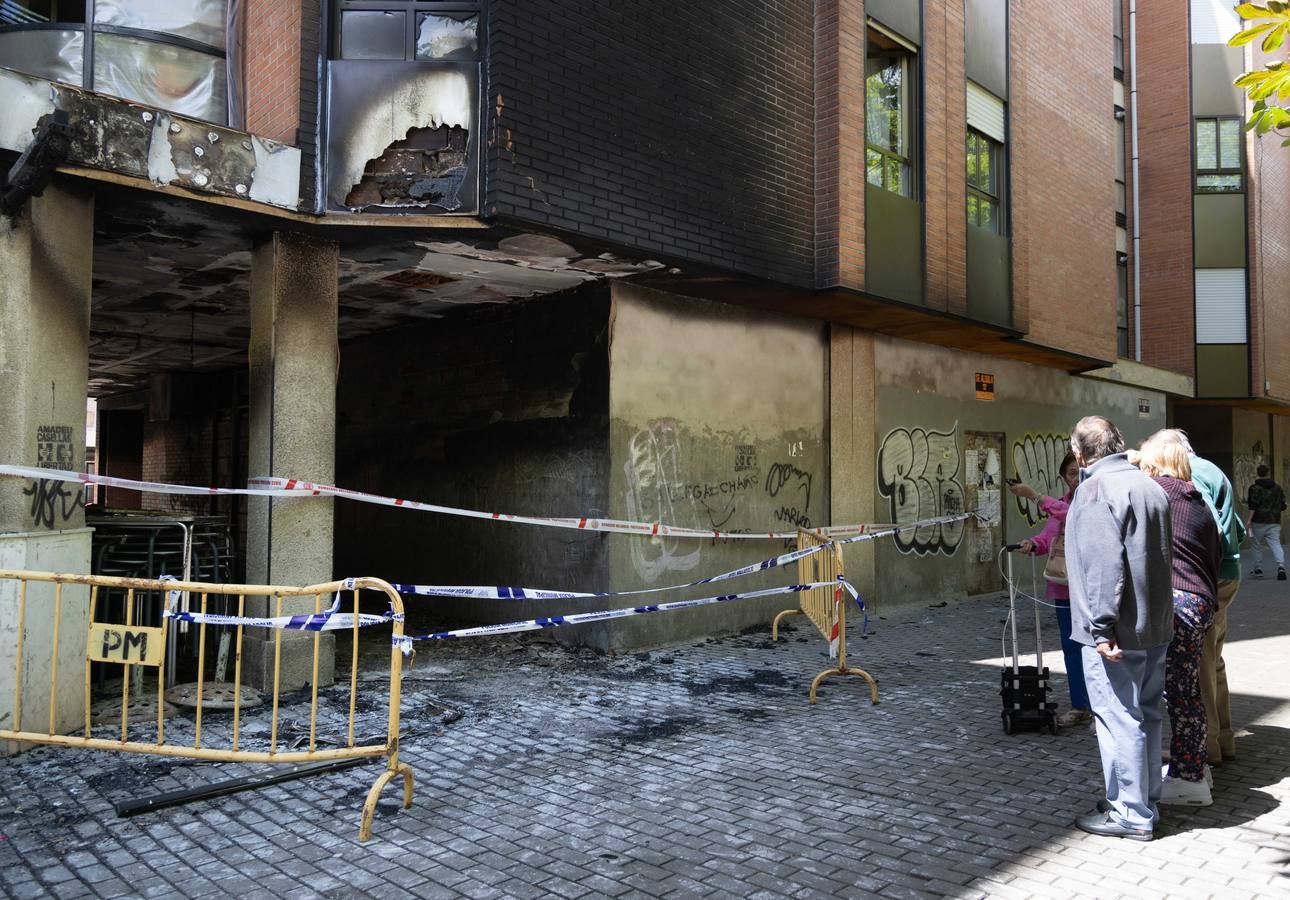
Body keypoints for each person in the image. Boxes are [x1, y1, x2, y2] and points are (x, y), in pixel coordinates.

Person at [1064, 416, 1173, 841]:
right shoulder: (1150, 484)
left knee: (1117, 717)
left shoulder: (1094, 489)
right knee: (1145, 714)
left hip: (1118, 631)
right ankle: (1143, 798)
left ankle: (1130, 812)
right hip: (1153, 625)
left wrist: (1101, 628)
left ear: (1079, 452)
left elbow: (1103, 566)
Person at [1134, 434, 1220, 806]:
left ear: (1153, 465)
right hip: (1200, 600)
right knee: (1188, 690)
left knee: (1178, 693)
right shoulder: (1195, 498)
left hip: (1177, 601)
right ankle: (1195, 765)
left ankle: (1189, 778)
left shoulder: (1157, 493)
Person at [1152, 429, 1245, 765]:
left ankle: (1207, 747)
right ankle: (1224, 738)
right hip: (1226, 573)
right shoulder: (1210, 468)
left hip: (1205, 579)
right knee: (1214, 660)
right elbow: (1236, 527)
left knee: (1200, 666)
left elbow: (1206, 527)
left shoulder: (1190, 475)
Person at [1006, 452, 1091, 727]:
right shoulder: (1062, 503)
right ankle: (1081, 706)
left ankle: (1102, 709)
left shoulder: (1092, 502)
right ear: (1063, 477)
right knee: (1071, 648)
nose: (1076, 478)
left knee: (1096, 648)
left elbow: (1074, 517)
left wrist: (1034, 495)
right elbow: (1047, 537)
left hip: (1089, 589)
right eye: (1070, 473)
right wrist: (1032, 544)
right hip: (1063, 586)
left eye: (1079, 471)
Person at [1245, 464, 1286, 580]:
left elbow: (1253, 505)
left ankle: (1258, 570)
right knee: (1275, 544)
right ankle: (1281, 567)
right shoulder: (1277, 488)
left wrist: (1249, 520)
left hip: (1258, 521)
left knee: (1256, 544)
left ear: (1258, 473)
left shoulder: (1254, 488)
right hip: (1274, 520)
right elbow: (1283, 505)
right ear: (1268, 473)